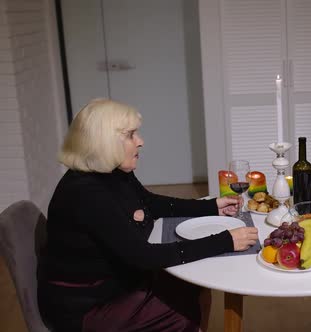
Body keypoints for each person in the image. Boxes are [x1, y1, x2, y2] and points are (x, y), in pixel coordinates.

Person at [37, 99, 259, 332]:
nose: (140, 142)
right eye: (131, 135)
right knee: (180, 314)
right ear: (105, 142)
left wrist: (211, 206)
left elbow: (151, 203)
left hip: (117, 281)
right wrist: (225, 240)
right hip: (87, 306)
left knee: (194, 287)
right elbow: (143, 256)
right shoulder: (86, 193)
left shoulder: (112, 172)